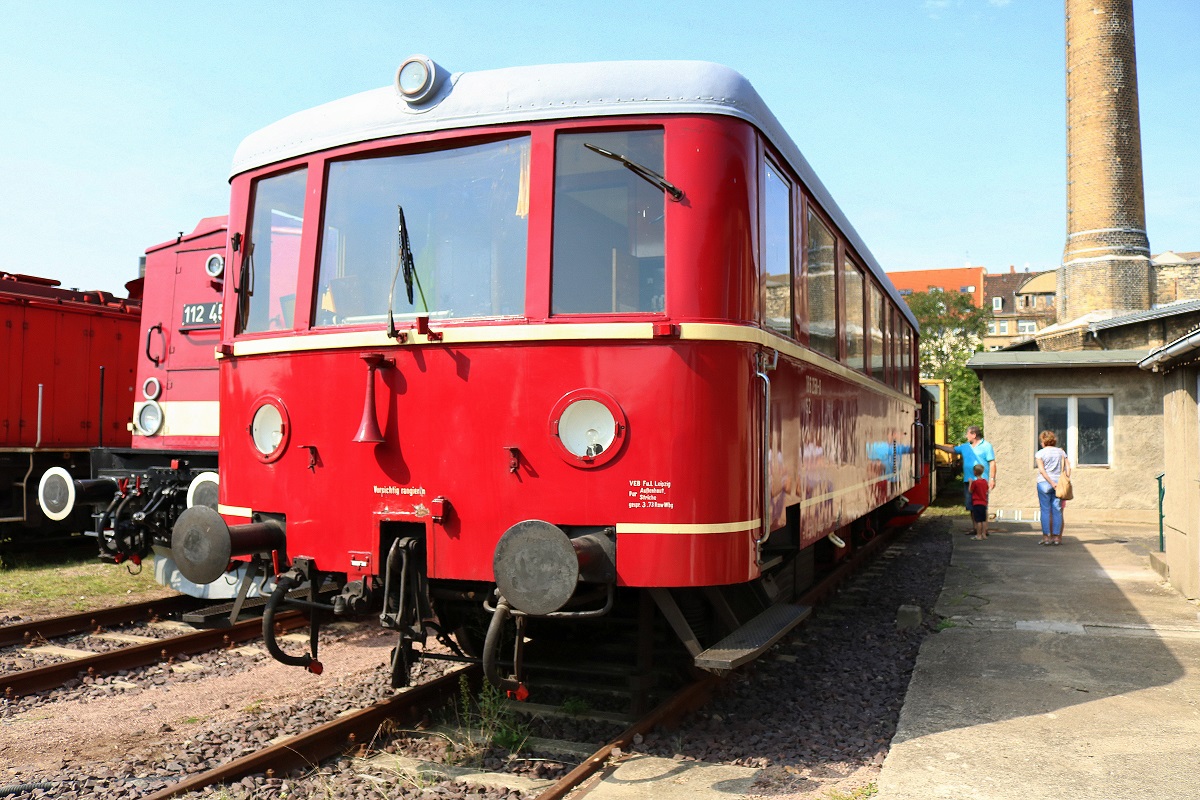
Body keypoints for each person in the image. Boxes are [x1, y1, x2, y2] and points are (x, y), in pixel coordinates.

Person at [935, 425, 997, 523]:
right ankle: (975, 528)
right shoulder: (965, 446)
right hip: (968, 481)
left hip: (982, 482)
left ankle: (983, 530)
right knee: (971, 506)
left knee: (981, 506)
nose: (966, 436)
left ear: (974, 435)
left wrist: (992, 479)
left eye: (967, 434)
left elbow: (992, 463)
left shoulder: (986, 446)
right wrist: (936, 446)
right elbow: (952, 450)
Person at [1035, 429, 1071, 546]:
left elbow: (1042, 470)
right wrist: (1065, 478)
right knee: (1057, 510)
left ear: (1043, 441)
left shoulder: (1040, 453)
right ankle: (1057, 538)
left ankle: (1046, 537)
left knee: (1045, 510)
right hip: (1058, 483)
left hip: (1044, 483)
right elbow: (1068, 467)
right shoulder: (1061, 452)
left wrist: (1050, 482)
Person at [969, 463, 989, 539]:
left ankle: (978, 535)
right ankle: (984, 534)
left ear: (974, 472)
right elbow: (986, 490)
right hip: (983, 503)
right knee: (983, 520)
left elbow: (970, 491)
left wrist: (970, 483)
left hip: (976, 503)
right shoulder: (985, 482)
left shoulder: (975, 482)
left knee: (978, 521)